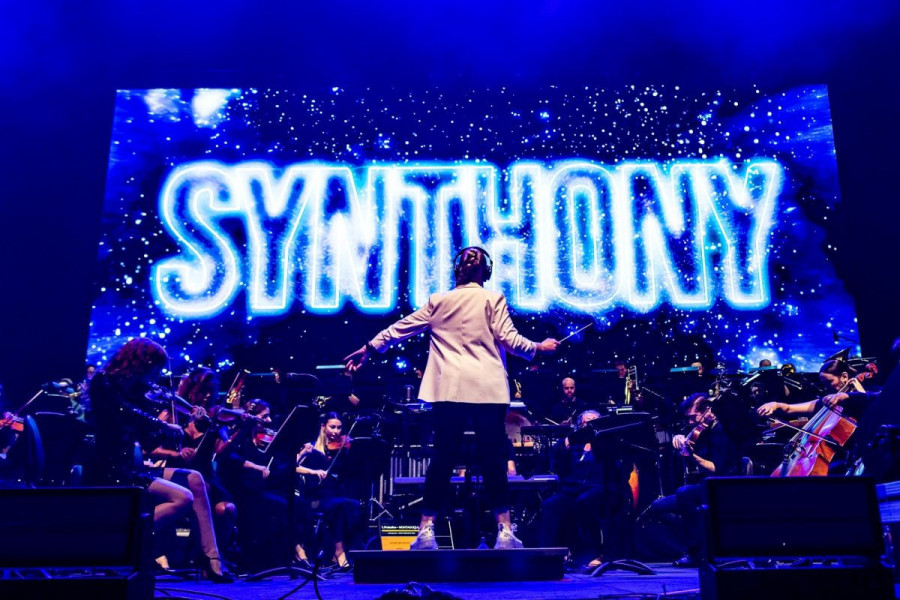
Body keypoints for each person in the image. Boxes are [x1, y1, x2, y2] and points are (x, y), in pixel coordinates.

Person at [344, 246, 559, 550]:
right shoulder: (492, 298)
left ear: (457, 269)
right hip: (487, 389)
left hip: (448, 389)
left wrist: (369, 348)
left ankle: (426, 531)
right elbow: (509, 340)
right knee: (493, 459)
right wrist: (539, 348)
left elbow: (399, 329)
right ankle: (504, 531)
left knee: (443, 459)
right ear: (486, 271)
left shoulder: (439, 301)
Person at [88, 339, 232, 582]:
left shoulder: (136, 393)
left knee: (194, 479)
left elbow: (148, 440)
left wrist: (182, 425)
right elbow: (123, 411)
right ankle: (123, 540)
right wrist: (161, 424)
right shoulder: (104, 382)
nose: (156, 376)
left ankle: (211, 558)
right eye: (155, 368)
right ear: (142, 363)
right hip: (110, 468)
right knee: (182, 497)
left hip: (131, 467)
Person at [645, 393, 743, 567]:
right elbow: (688, 440)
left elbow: (716, 469)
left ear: (708, 411)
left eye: (693, 417)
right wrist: (679, 437)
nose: (690, 422)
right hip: (705, 487)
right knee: (656, 507)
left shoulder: (723, 432)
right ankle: (699, 541)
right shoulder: (703, 431)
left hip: (722, 486)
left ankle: (696, 551)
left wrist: (693, 457)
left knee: (684, 493)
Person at [539, 410, 630, 567]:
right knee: (550, 504)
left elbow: (619, 468)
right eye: (587, 422)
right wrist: (568, 441)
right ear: (580, 426)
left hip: (599, 488)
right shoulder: (574, 445)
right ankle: (547, 556)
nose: (591, 424)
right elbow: (556, 461)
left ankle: (591, 554)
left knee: (585, 501)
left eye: (595, 420)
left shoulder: (609, 444)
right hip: (571, 489)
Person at [294, 412, 361, 571]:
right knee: (338, 506)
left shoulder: (342, 449)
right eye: (332, 427)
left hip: (334, 494)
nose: (336, 431)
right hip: (315, 498)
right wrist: (303, 455)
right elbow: (292, 466)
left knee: (353, 505)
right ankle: (339, 552)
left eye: (339, 428)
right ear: (323, 427)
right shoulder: (311, 448)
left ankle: (345, 552)